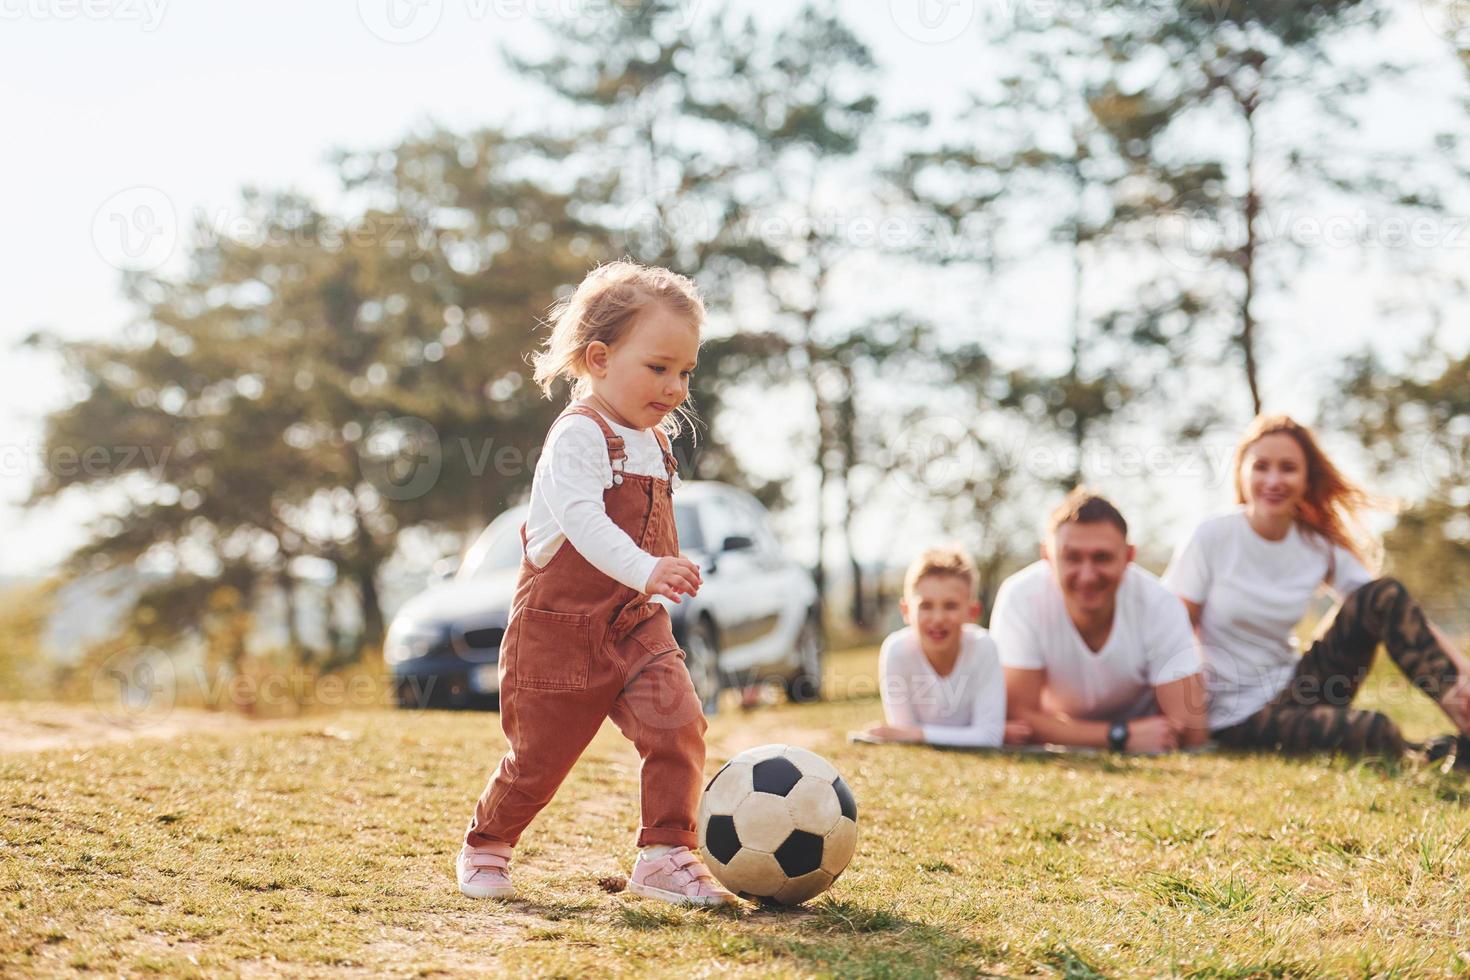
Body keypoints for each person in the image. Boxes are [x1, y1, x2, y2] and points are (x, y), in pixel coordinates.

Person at [456, 260, 735, 906]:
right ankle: (487, 843)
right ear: (600, 358)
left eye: (685, 372)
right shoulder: (580, 436)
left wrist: (666, 566)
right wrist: (647, 568)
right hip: (560, 632)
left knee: (679, 725)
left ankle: (665, 852)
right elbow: (583, 522)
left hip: (637, 625)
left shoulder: (654, 442)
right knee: (538, 760)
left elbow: (645, 527)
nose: (674, 387)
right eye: (658, 367)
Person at [1163, 414, 1470, 757]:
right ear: (1242, 472)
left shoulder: (1315, 544)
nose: (1274, 479)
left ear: (1307, 478)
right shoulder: (1212, 537)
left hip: (1297, 689)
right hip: (1238, 717)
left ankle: (1464, 721)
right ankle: (1432, 756)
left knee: (1382, 593)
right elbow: (1168, 629)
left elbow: (1398, 612)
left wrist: (1462, 672)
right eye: (1261, 466)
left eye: (1288, 468)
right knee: (1374, 729)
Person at [991, 489, 1209, 753]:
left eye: (1102, 558)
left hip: (1127, 734)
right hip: (1131, 734)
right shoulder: (1020, 597)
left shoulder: (1161, 604)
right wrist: (1118, 735)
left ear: (1129, 556)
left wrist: (1057, 731)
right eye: (1071, 558)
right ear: (1047, 556)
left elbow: (1190, 729)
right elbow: (1018, 719)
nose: (1087, 576)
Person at [864, 548, 1029, 747]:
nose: (938, 618)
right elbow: (903, 733)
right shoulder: (896, 651)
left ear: (972, 611)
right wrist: (975, 734)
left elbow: (989, 737)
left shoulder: (984, 647)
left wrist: (918, 734)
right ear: (906, 611)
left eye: (950, 606)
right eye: (926, 606)